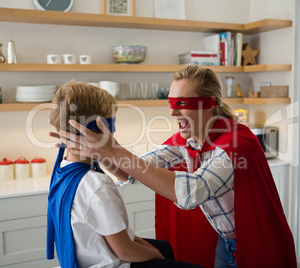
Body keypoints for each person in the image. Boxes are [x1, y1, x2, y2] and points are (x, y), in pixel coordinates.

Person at [53, 66, 297, 268]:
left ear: (209, 103)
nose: (172, 111)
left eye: (182, 102)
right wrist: (102, 148)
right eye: (171, 102)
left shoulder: (235, 143)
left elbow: (191, 192)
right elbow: (130, 170)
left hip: (258, 242)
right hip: (225, 243)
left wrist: (112, 151)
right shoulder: (186, 140)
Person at [46, 80, 204, 268]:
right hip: (114, 263)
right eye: (111, 122)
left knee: (164, 247)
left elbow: (115, 233)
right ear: (97, 129)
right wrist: (158, 257)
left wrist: (153, 250)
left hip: (91, 254)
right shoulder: (97, 184)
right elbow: (125, 251)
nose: (114, 130)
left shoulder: (62, 171)